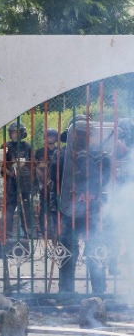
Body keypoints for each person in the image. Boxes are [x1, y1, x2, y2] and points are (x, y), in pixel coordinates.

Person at [57, 115, 111, 294]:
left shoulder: (100, 156)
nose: (81, 138)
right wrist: (49, 215)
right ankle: (65, 291)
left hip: (92, 211)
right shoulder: (61, 156)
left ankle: (98, 291)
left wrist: (84, 160)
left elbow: (101, 181)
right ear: (72, 135)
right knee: (68, 252)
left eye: (86, 134)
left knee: (94, 252)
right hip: (68, 212)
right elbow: (54, 185)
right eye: (78, 134)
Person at [0, 123, 33, 242]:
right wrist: (11, 173)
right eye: (12, 132)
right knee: (10, 206)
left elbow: (31, 164)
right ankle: (7, 232)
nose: (14, 135)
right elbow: (0, 165)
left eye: (17, 132)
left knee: (26, 206)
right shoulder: (6, 146)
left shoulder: (27, 146)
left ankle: (28, 231)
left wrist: (25, 172)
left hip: (24, 181)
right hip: (11, 181)